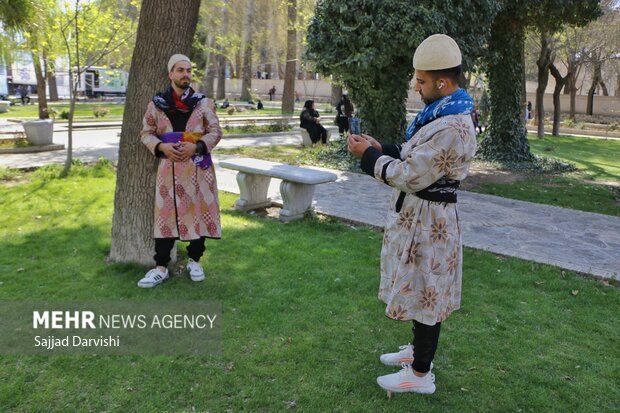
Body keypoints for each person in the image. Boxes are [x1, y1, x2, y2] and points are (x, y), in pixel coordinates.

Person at [347, 34, 477, 395]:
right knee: (420, 288)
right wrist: (380, 147)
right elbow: (411, 153)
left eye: (420, 80)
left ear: (442, 82)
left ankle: (420, 375)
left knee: (428, 293)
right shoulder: (443, 112)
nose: (415, 86)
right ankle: (418, 353)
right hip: (419, 218)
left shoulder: (454, 126)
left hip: (431, 223)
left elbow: (411, 174)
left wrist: (368, 158)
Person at [137, 54, 222, 288]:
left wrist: (198, 145)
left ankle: (195, 260)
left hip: (197, 169)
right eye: (180, 70)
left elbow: (215, 131)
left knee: (197, 210)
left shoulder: (204, 103)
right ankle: (160, 268)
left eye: (188, 70)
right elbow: (146, 133)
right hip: (168, 170)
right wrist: (161, 146)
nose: (186, 74)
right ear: (170, 74)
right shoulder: (157, 104)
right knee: (166, 214)